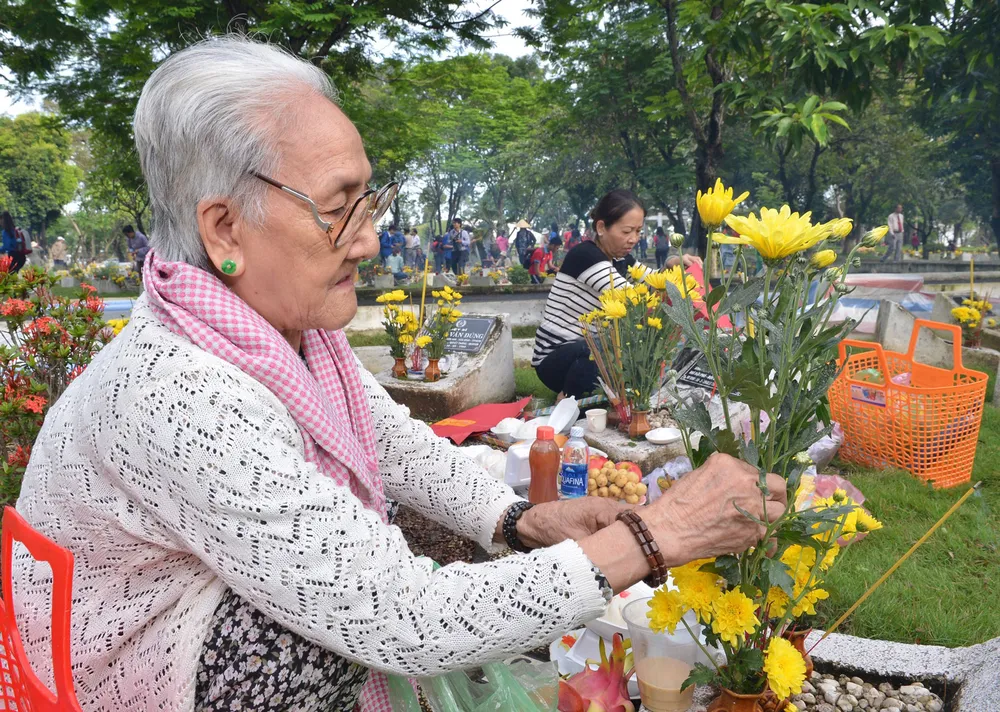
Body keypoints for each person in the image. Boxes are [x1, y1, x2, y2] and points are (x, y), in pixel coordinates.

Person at [12, 37, 783, 712]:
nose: (371, 242)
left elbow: (391, 440)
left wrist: (515, 520)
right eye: (340, 209)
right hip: (121, 669)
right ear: (224, 228)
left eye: (369, 199)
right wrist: (659, 536)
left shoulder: (274, 327)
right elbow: (402, 615)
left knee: (386, 558)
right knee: (326, 633)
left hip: (182, 615)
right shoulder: (178, 390)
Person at [532, 189, 702, 400]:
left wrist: (670, 265)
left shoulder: (620, 259)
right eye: (627, 231)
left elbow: (650, 282)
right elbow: (634, 299)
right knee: (613, 347)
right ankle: (569, 399)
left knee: (622, 347)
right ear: (602, 227)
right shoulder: (586, 256)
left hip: (587, 349)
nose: (633, 239)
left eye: (638, 231)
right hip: (556, 357)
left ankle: (601, 396)